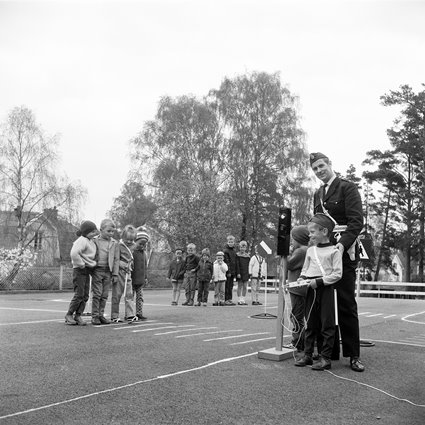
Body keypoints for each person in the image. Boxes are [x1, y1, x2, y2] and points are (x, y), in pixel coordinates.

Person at [310, 152, 365, 372]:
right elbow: (316, 223)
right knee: (325, 306)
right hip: (324, 253)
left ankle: (353, 355)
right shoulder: (317, 193)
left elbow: (356, 222)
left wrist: (341, 244)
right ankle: (327, 352)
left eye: (321, 166)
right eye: (315, 169)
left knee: (345, 302)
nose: (319, 171)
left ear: (330, 164)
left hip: (344, 250)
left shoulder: (347, 188)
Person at [294, 214, 342, 371]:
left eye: (313, 231)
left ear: (325, 231)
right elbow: (305, 268)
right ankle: (308, 355)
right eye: (309, 232)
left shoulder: (334, 251)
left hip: (326, 289)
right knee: (310, 322)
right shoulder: (310, 251)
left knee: (327, 324)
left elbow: (337, 274)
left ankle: (325, 358)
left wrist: (319, 282)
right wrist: (301, 278)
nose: (310, 235)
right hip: (310, 288)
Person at [65, 220, 98, 326]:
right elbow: (74, 253)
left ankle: (78, 315)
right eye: (92, 232)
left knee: (85, 295)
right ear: (86, 232)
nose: (94, 233)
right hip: (80, 270)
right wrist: (81, 264)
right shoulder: (82, 240)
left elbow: (91, 255)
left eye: (94, 231)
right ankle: (69, 314)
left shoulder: (91, 241)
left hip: (87, 270)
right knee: (79, 294)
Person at [284, 225, 310, 351]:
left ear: (298, 239)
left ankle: (297, 342)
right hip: (302, 288)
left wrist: (286, 254)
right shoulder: (307, 249)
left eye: (293, 239)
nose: (292, 242)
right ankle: (304, 341)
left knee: (296, 316)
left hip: (297, 289)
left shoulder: (300, 251)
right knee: (302, 316)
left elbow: (288, 264)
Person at [91, 219, 120, 325]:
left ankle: (100, 314)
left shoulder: (114, 243)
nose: (111, 234)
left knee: (104, 295)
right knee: (97, 294)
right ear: (101, 230)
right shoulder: (94, 241)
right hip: (97, 270)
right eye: (108, 231)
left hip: (108, 271)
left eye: (113, 231)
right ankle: (95, 316)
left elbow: (116, 259)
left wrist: (115, 273)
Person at [111, 225, 137, 323]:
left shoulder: (133, 246)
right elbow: (116, 259)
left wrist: (130, 266)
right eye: (127, 239)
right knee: (117, 295)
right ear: (123, 237)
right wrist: (120, 268)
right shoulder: (118, 245)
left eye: (131, 240)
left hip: (128, 273)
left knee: (129, 294)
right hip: (119, 273)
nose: (129, 242)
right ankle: (114, 315)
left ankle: (129, 314)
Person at [132, 228, 150, 320]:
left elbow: (145, 267)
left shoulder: (145, 254)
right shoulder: (132, 252)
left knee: (140, 298)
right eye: (140, 244)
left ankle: (139, 313)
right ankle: (130, 313)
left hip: (140, 279)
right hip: (131, 279)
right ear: (135, 242)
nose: (142, 246)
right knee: (130, 297)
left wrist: (145, 277)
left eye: (144, 244)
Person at [223, 235, 237, 306]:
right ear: (227, 242)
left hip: (233, 271)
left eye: (232, 242)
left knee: (231, 286)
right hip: (228, 272)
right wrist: (228, 271)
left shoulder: (234, 251)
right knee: (227, 286)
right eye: (229, 242)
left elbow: (235, 262)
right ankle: (226, 299)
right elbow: (226, 262)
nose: (231, 243)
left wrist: (234, 272)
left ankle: (230, 299)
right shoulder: (226, 251)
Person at [235, 240, 250, 305]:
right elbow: (237, 265)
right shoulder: (237, 255)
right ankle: (239, 299)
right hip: (240, 272)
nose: (242, 249)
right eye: (241, 247)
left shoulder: (248, 256)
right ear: (239, 247)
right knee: (240, 286)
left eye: (244, 247)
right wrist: (238, 273)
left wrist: (249, 273)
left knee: (245, 286)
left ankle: (243, 299)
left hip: (246, 272)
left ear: (246, 248)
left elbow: (249, 265)